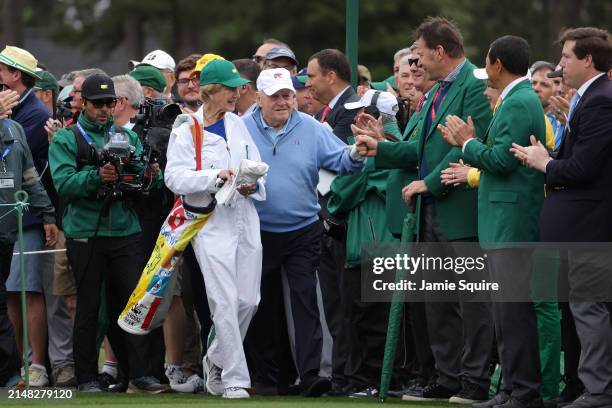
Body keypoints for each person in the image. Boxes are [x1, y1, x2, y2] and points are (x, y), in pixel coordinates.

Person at [355, 17, 493, 404]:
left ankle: (475, 381)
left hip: (460, 211)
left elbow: (465, 144)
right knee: (438, 300)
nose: (415, 64)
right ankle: (447, 378)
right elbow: (420, 149)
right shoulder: (435, 93)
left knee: (471, 300)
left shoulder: (473, 87)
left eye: (419, 54)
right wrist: (378, 148)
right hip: (430, 213)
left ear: (439, 52)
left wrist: (427, 184)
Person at [439, 35, 547, 408]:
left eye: (488, 67)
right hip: (505, 220)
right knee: (505, 313)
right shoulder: (515, 99)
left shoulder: (518, 102)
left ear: (498, 65)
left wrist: (468, 143)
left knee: (513, 312)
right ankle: (513, 388)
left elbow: (502, 161)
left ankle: (524, 391)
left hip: (512, 221)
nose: (486, 77)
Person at [243, 67, 364, 397]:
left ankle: (310, 374)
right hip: (258, 229)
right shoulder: (241, 129)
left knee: (305, 300)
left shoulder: (310, 127)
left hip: (302, 229)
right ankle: (267, 376)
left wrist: (356, 152)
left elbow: (341, 160)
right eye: (275, 97)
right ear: (259, 98)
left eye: (288, 95)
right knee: (261, 303)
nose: (283, 102)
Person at [510, 26, 612, 408]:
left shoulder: (601, 99)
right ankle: (580, 388)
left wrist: (545, 163)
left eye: (566, 57)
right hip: (579, 225)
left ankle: (599, 391)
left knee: (589, 308)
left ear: (588, 60)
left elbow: (583, 169)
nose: (559, 66)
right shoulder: (589, 98)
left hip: (590, 226)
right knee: (577, 311)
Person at [48, 73, 168, 393]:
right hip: (85, 231)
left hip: (126, 229)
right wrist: (97, 176)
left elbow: (147, 185)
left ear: (117, 103)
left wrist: (152, 176)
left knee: (132, 304)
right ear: (83, 104)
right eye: (98, 104)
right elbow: (63, 184)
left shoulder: (126, 137)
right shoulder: (67, 138)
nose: (104, 109)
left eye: (109, 103)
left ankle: (140, 375)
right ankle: (87, 377)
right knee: (89, 305)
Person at [164, 58, 264, 399]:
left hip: (245, 214)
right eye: (230, 89)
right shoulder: (185, 129)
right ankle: (235, 378)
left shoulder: (239, 124)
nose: (237, 94)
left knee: (249, 300)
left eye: (238, 88)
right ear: (211, 91)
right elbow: (173, 178)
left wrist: (253, 183)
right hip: (208, 222)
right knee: (223, 299)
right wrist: (213, 176)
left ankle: (215, 357)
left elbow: (254, 163)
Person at [0, 45, 59, 387]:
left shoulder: (31, 117)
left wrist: (47, 213)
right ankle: (13, 365)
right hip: (8, 219)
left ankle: (30, 365)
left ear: (15, 75)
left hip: (21, 219)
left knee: (25, 290)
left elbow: (27, 175)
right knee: (9, 292)